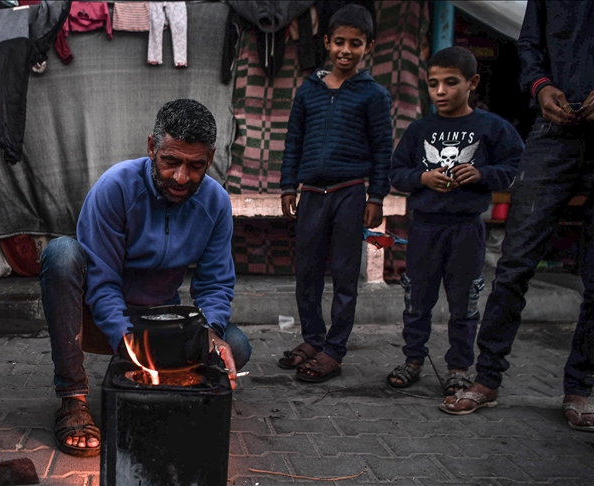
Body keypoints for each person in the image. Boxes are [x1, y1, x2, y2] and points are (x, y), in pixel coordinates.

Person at [39, 99, 252, 457]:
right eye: (171, 161)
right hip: (96, 317)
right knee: (61, 254)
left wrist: (212, 332)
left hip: (158, 321)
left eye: (195, 165)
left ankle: (154, 386)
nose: (182, 177)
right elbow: (102, 282)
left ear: (210, 158)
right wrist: (125, 341)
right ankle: (73, 398)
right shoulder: (116, 188)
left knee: (237, 346)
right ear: (152, 147)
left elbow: (215, 284)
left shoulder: (215, 202)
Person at [441, 1, 593, 432]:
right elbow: (530, 45)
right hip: (554, 129)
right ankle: (487, 377)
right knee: (514, 261)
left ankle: (580, 384)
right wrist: (542, 88)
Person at [386, 47, 523, 394]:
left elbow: (515, 167)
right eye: (433, 84)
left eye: (450, 82)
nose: (441, 92)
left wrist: (481, 173)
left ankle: (459, 368)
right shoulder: (420, 129)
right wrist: (423, 179)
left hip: (466, 229)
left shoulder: (492, 127)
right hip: (424, 227)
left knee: (464, 302)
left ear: (472, 83)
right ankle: (413, 360)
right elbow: (396, 172)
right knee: (416, 299)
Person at [277, 4, 392, 383]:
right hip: (311, 192)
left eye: (355, 43)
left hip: (348, 193)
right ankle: (312, 339)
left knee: (344, 274)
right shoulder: (307, 91)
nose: (346, 50)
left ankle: (334, 350)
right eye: (339, 42)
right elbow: (293, 141)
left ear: (368, 47)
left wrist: (376, 197)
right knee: (306, 272)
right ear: (326, 42)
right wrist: (286, 185)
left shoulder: (373, 95)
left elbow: (382, 149)